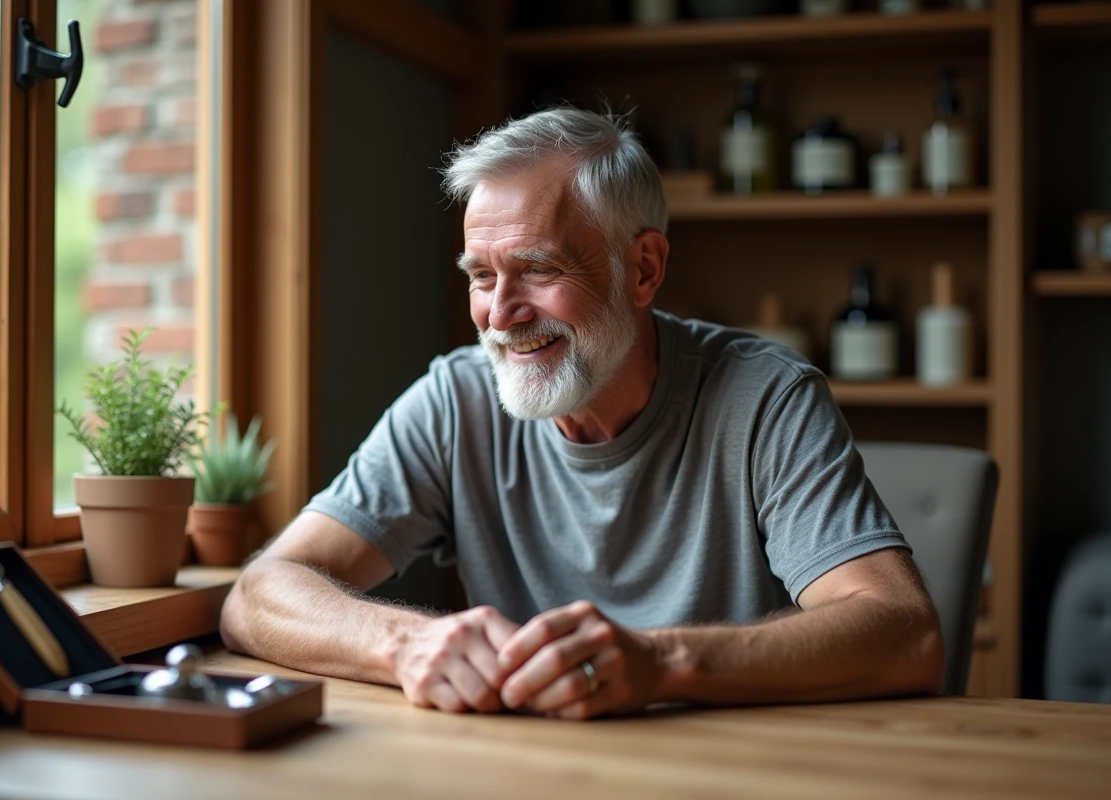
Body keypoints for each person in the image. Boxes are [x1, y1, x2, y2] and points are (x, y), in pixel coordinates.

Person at [220, 108, 945, 720]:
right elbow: (257, 596)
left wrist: (662, 663)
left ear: (643, 269)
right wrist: (403, 644)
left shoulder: (765, 398)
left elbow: (905, 635)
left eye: (538, 268)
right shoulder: (456, 400)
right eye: (481, 276)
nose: (499, 314)